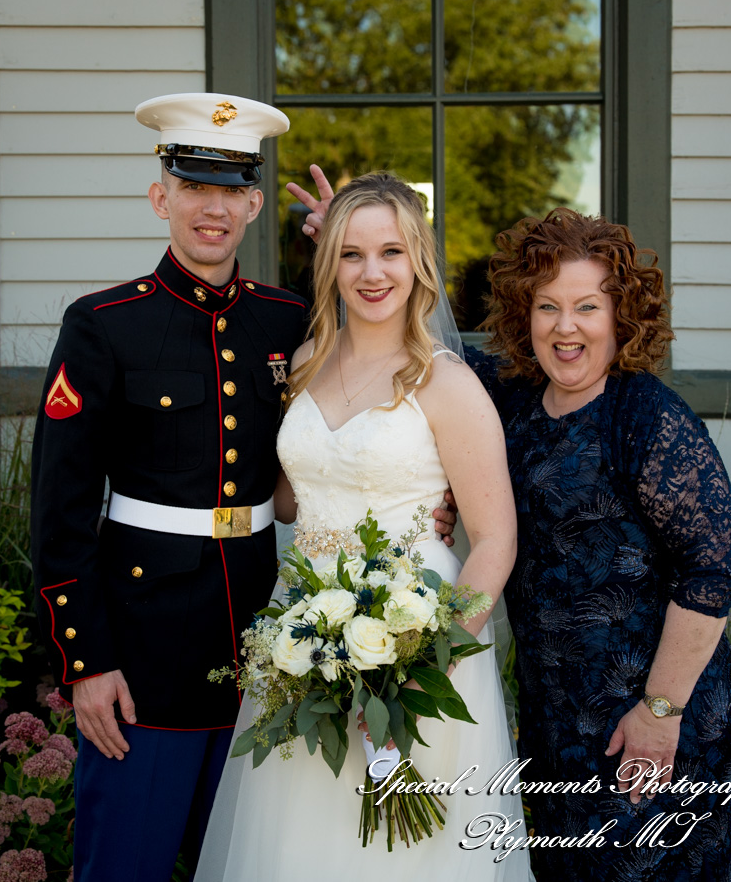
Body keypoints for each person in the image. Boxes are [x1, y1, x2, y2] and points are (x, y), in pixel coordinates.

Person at [196, 173, 534, 881]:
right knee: (298, 842)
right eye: (350, 254)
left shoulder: (446, 383)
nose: (372, 273)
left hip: (417, 637)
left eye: (390, 252)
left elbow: (496, 539)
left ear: (419, 262)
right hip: (304, 633)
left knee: (405, 858)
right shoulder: (306, 363)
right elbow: (291, 500)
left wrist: (429, 663)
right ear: (329, 264)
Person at [30, 92, 310, 882]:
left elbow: (388, 368)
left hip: (268, 647)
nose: (212, 209)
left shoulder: (287, 319)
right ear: (161, 198)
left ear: (255, 204)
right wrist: (85, 662)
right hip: (142, 654)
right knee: (127, 865)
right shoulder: (103, 323)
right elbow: (58, 510)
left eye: (231, 190)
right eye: (193, 187)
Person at [468, 207, 731, 880]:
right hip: (557, 725)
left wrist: (660, 711)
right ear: (524, 315)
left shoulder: (644, 415)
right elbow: (422, 346)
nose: (565, 327)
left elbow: (713, 567)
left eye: (587, 307)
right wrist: (354, 245)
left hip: (650, 725)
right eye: (547, 306)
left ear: (622, 316)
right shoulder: (514, 400)